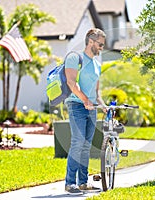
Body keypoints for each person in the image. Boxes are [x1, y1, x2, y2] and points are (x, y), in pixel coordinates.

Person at [64, 28, 106, 195]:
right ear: (91, 41)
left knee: (86, 146)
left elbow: (96, 92)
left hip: (92, 108)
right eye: (100, 44)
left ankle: (83, 182)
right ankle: (69, 183)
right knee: (78, 142)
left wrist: (102, 105)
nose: (102, 47)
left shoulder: (97, 64)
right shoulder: (75, 58)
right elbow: (71, 83)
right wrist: (85, 100)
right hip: (76, 106)